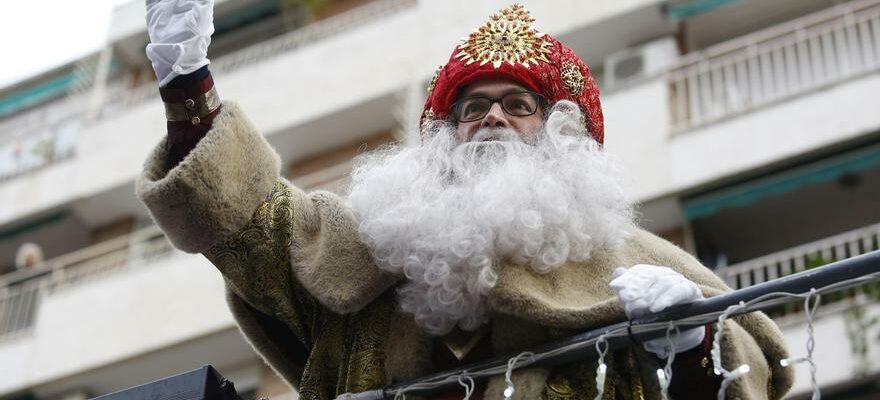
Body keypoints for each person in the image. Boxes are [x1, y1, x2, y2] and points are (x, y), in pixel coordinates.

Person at [137, 1, 793, 399]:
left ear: (560, 134)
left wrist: (697, 339)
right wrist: (186, 80)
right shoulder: (366, 254)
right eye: (472, 109)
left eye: (517, 106)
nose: (491, 119)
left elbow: (755, 370)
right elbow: (250, 222)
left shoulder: (636, 265)